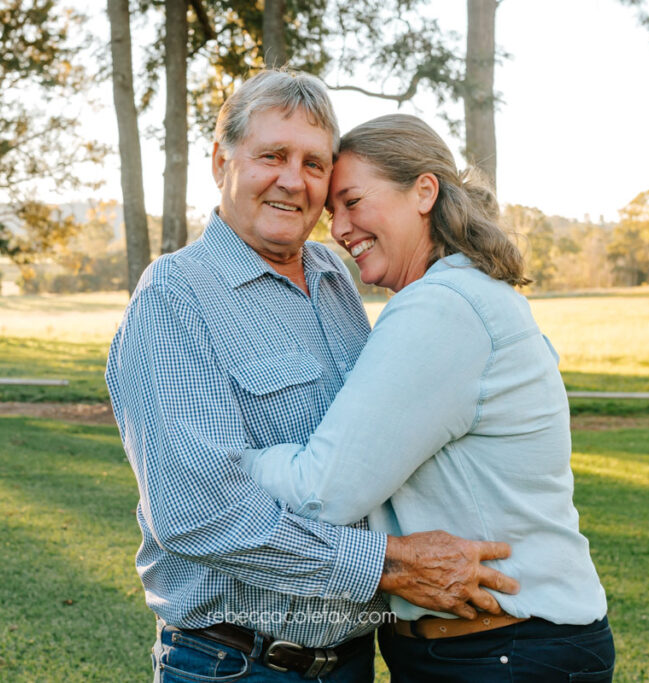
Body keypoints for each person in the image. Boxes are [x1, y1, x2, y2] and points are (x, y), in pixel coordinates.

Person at [106, 71, 518, 682]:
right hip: (239, 663)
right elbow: (196, 511)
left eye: (314, 164)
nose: (293, 180)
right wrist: (385, 566)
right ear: (222, 160)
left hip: (352, 660)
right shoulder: (176, 296)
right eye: (272, 155)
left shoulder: (334, 275)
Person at [239, 113, 615, 682]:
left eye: (354, 201)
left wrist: (226, 463)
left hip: (503, 654)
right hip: (485, 650)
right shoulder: (468, 293)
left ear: (424, 191)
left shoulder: (443, 307)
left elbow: (324, 493)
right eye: (334, 210)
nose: (339, 228)